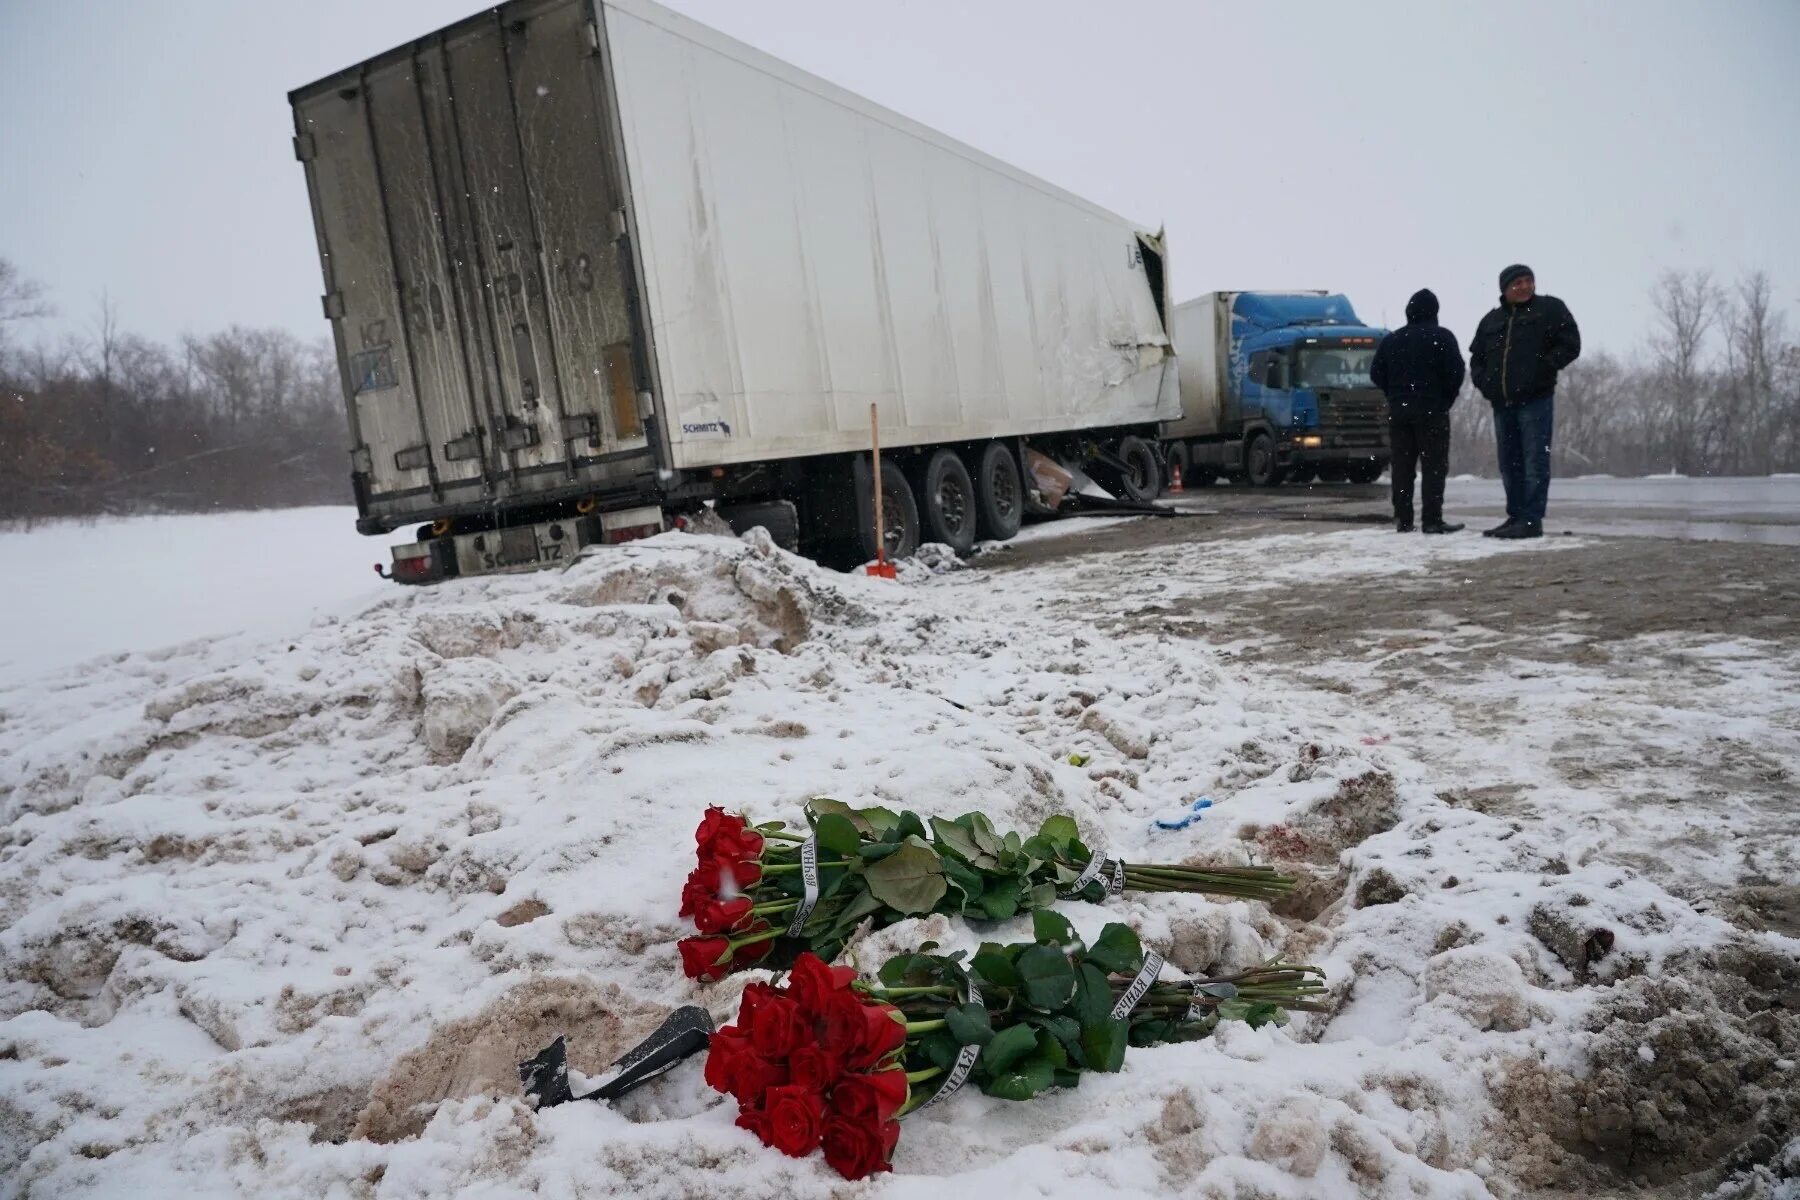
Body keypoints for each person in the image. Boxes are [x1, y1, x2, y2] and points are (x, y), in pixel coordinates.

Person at [1468, 265, 1581, 538]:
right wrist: (1486, 385)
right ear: (1505, 289)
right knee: (1509, 463)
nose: (1524, 286)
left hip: (1536, 400)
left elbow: (1571, 344)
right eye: (1517, 282)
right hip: (1502, 403)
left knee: (1534, 461)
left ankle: (1531, 520)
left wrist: (1543, 369)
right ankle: (1515, 516)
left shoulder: (1550, 309)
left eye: (1528, 281)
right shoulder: (1491, 321)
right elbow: (1476, 359)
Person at [1368, 288, 1465, 533]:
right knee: (1434, 466)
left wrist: (1395, 394)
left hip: (1400, 412)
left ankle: (1403, 518)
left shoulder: (1392, 339)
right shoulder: (1442, 337)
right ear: (1435, 311)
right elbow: (1456, 372)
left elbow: (1376, 373)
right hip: (1432, 410)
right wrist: (1445, 399)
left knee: (1402, 466)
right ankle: (1432, 520)